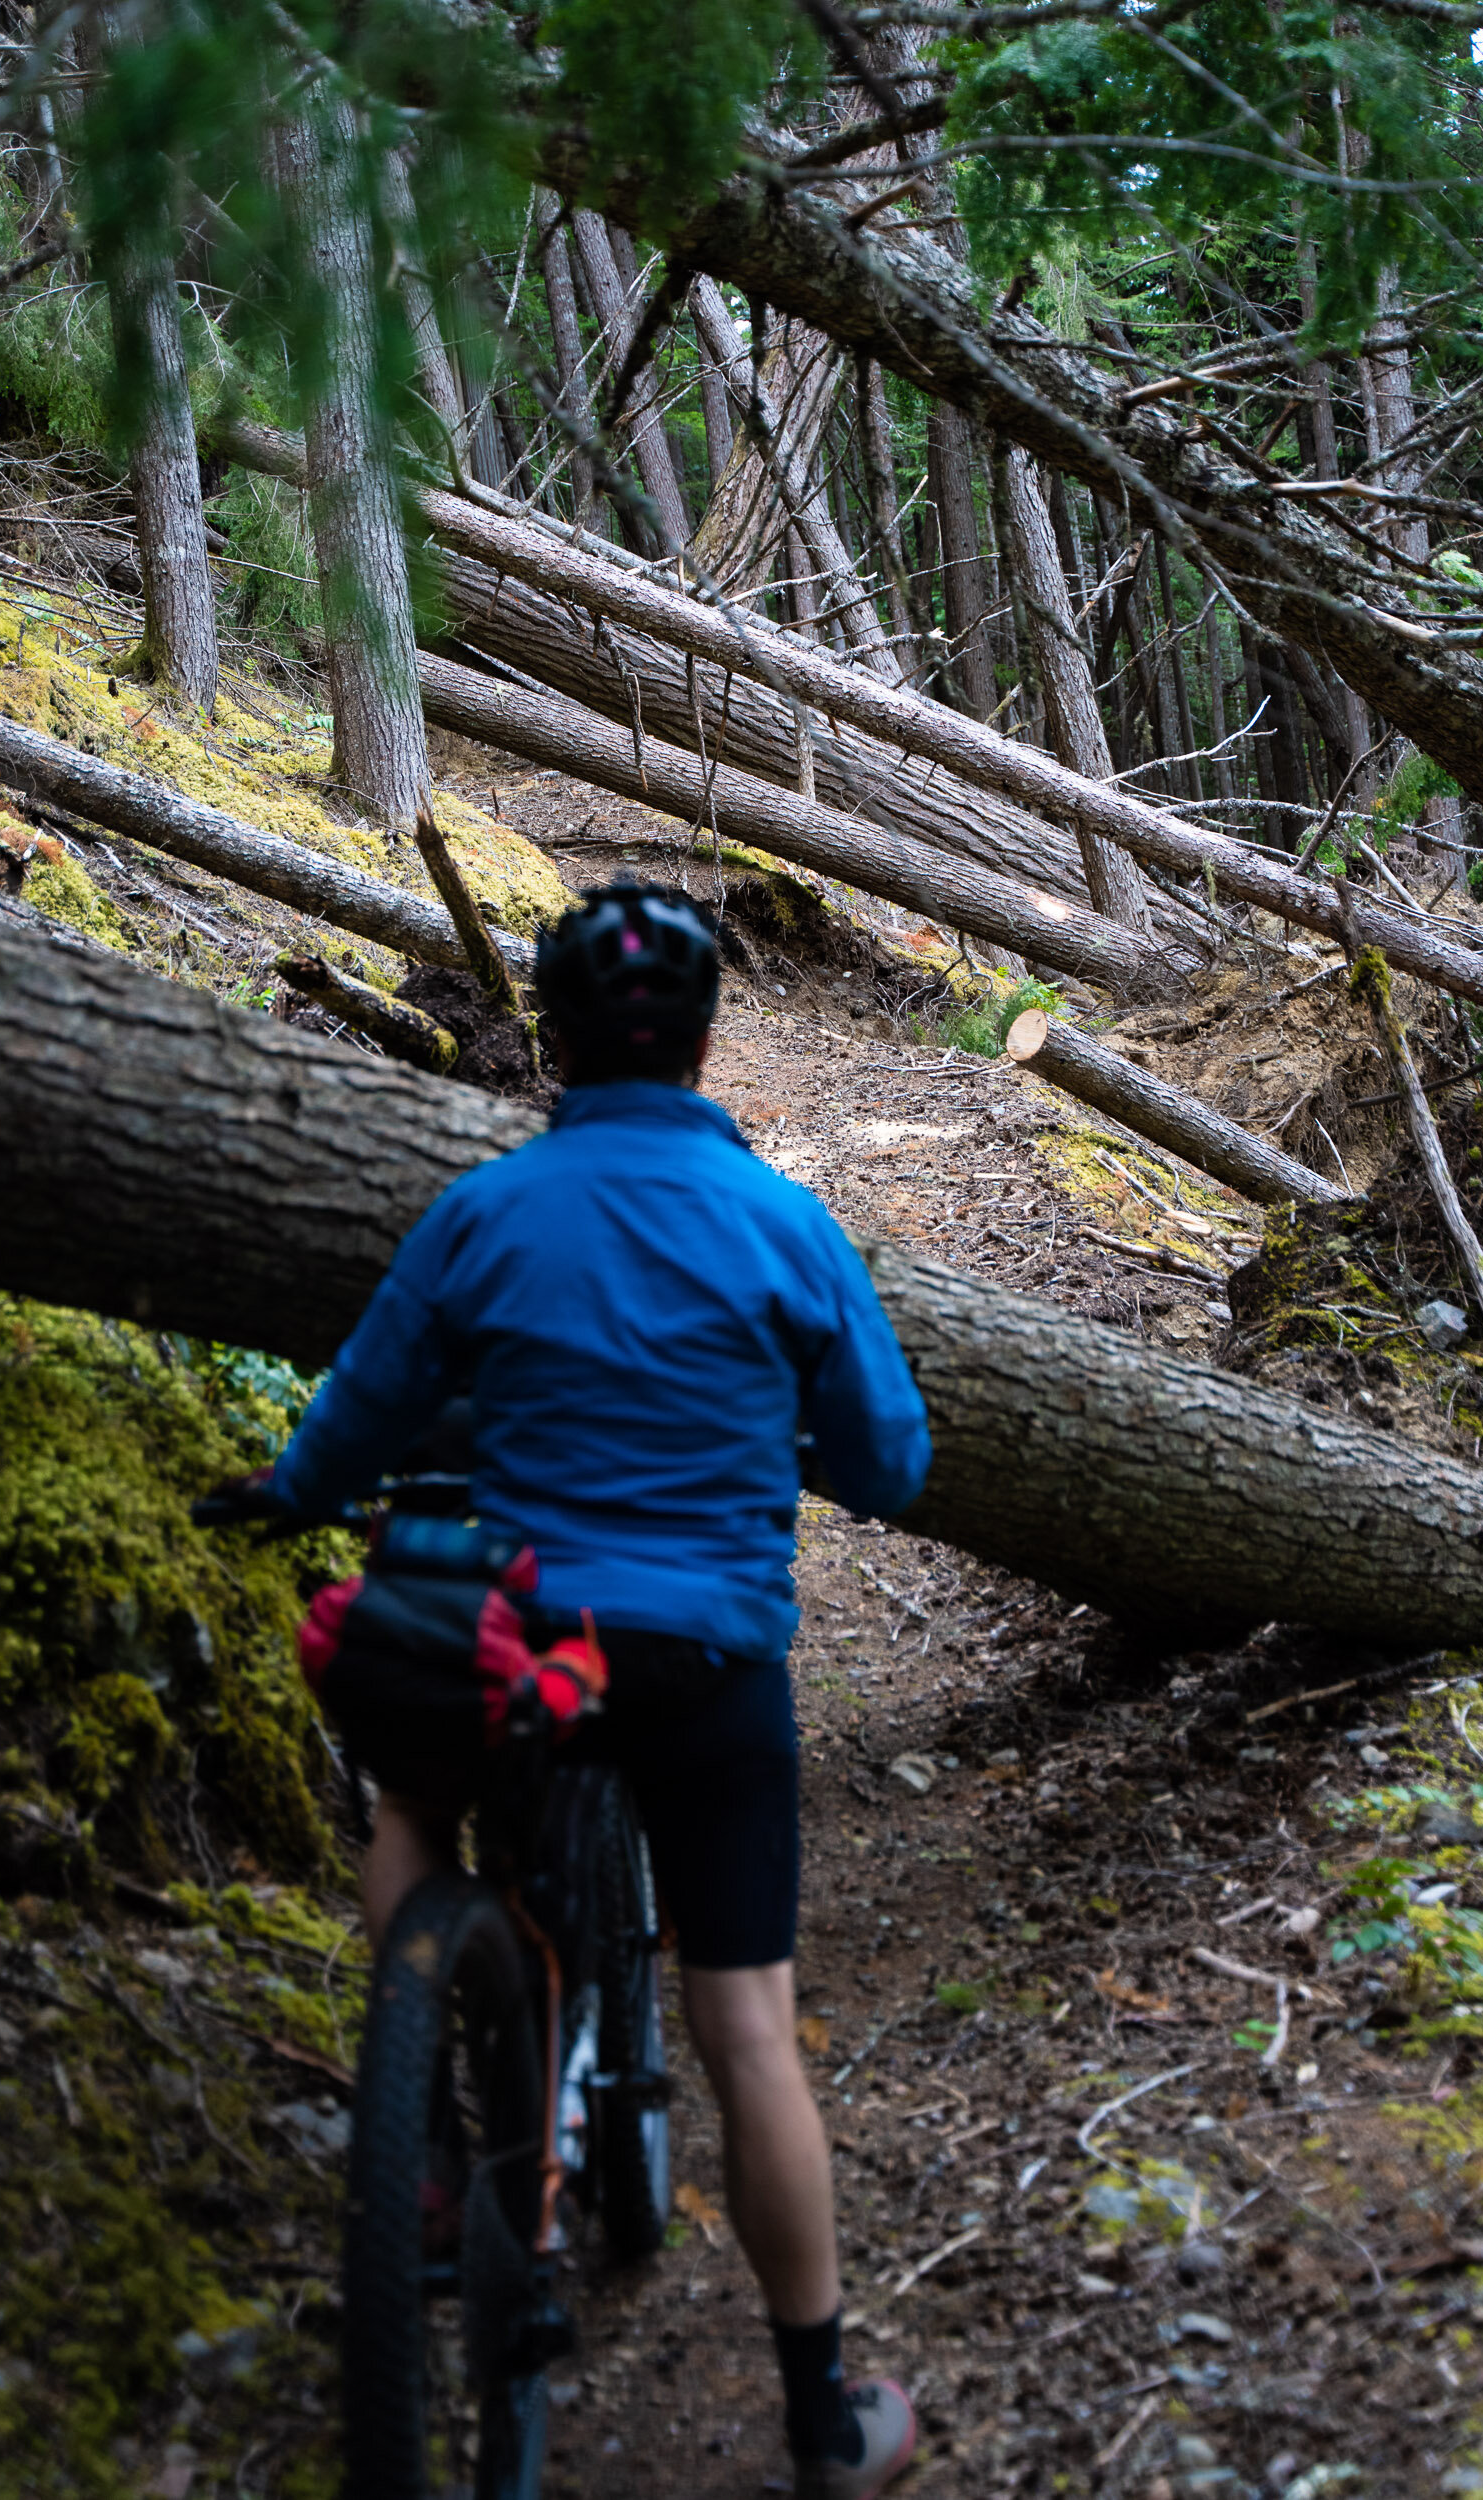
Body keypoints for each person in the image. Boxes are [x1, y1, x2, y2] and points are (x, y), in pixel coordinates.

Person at [266, 882, 931, 2500]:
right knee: (748, 2027)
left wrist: (291, 1491)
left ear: (551, 1036)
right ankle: (822, 2419)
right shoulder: (786, 1226)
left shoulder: (487, 1211)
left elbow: (357, 1419)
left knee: (418, 1804)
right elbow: (892, 1461)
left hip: (513, 1641)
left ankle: (424, 2109)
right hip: (705, 1658)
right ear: (708, 1040)